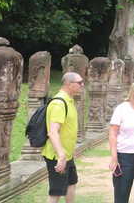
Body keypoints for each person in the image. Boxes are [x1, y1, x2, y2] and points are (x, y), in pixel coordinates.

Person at [42, 72, 84, 203]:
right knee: (56, 191)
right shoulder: (59, 103)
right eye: (80, 82)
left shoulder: (69, 100)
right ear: (69, 84)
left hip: (67, 154)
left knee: (71, 182)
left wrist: (70, 150)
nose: (82, 85)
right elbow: (53, 131)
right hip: (57, 155)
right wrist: (61, 155)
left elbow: (67, 129)